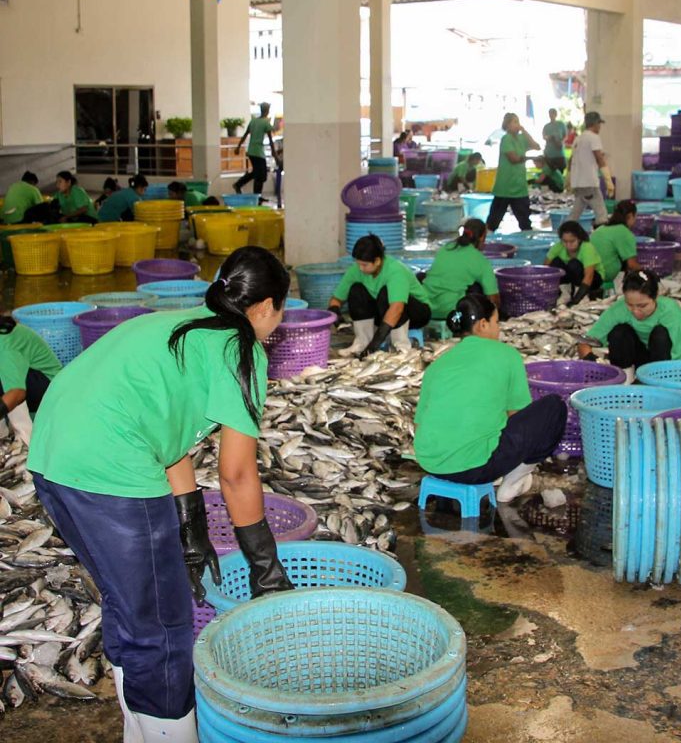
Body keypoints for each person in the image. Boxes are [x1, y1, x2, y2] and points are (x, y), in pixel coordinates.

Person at [27, 246, 294, 741]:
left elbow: (168, 433)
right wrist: (266, 569)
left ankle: (140, 729)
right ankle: (174, 733)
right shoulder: (242, 351)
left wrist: (190, 526)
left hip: (52, 455)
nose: (277, 324)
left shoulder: (181, 322)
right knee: (165, 627)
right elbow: (236, 475)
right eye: (279, 311)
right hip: (109, 468)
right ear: (264, 307)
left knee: (130, 604)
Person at [414, 294, 566, 503]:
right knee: (554, 407)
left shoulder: (439, 363)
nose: (498, 329)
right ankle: (512, 482)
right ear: (483, 325)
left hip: (430, 462)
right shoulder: (507, 354)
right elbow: (517, 415)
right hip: (475, 468)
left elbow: (419, 422)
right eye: (496, 322)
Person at [327, 234, 431, 356]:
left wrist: (376, 342)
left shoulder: (395, 271)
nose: (360, 268)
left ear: (377, 261)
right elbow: (337, 298)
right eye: (358, 264)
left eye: (364, 265)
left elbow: (397, 308)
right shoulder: (357, 270)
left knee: (385, 293)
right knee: (356, 290)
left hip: (417, 313)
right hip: (384, 310)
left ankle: (401, 347)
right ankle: (362, 342)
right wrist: (335, 311)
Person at [578, 269, 681, 374]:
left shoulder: (670, 311)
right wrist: (590, 359)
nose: (635, 311)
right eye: (630, 305)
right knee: (619, 332)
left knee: (660, 334)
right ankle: (625, 379)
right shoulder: (619, 309)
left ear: (655, 297)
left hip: (666, 363)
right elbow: (586, 341)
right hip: (639, 360)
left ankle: (658, 382)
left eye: (642, 306)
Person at [423, 219, 500, 319]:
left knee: (423, 275)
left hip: (425, 306)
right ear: (482, 238)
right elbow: (493, 298)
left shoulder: (447, 247)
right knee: (477, 288)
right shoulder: (480, 261)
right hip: (451, 312)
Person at [487, 113, 540, 233]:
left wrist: (524, 131)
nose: (517, 125)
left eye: (518, 121)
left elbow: (536, 146)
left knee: (525, 221)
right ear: (507, 125)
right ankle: (486, 241)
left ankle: (527, 241)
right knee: (494, 220)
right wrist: (530, 159)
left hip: (519, 187)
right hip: (505, 187)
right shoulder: (506, 139)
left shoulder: (521, 139)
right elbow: (514, 159)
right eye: (514, 122)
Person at [0, 316, 61, 418]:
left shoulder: (4, 345)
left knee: (9, 389)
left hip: (52, 390)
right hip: (27, 380)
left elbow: (17, 392)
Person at [567, 112, 614, 225]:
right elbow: (599, 158)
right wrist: (608, 180)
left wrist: (568, 179)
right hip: (589, 183)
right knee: (601, 214)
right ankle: (601, 239)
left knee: (575, 214)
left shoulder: (579, 138)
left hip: (578, 184)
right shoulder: (593, 137)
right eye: (599, 124)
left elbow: (571, 160)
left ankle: (564, 231)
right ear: (595, 123)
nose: (600, 127)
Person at [545, 221, 605, 305]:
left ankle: (583, 296)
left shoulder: (587, 248)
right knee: (556, 262)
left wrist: (576, 300)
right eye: (565, 241)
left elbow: (589, 276)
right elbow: (545, 268)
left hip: (594, 279)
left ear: (579, 238)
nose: (568, 245)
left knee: (574, 264)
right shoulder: (558, 246)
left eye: (572, 241)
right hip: (573, 278)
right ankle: (565, 293)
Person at [590, 200, 641, 284]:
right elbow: (632, 265)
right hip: (605, 274)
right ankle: (620, 285)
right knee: (627, 259)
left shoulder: (601, 228)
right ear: (631, 215)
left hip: (588, 271)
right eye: (635, 217)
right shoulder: (625, 232)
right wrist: (647, 273)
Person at [234, 102, 277, 196]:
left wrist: (238, 147)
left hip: (251, 151)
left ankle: (255, 195)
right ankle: (243, 187)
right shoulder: (265, 122)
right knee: (261, 175)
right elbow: (270, 140)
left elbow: (245, 135)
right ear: (267, 110)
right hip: (258, 152)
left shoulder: (253, 121)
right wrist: (274, 153)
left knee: (257, 173)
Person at [541, 108, 567, 172]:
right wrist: (549, 137)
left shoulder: (561, 124)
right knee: (550, 172)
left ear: (556, 114)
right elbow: (544, 137)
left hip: (559, 153)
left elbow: (565, 136)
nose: (551, 115)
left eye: (552, 113)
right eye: (550, 114)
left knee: (561, 171)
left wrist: (561, 142)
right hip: (549, 153)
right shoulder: (546, 126)